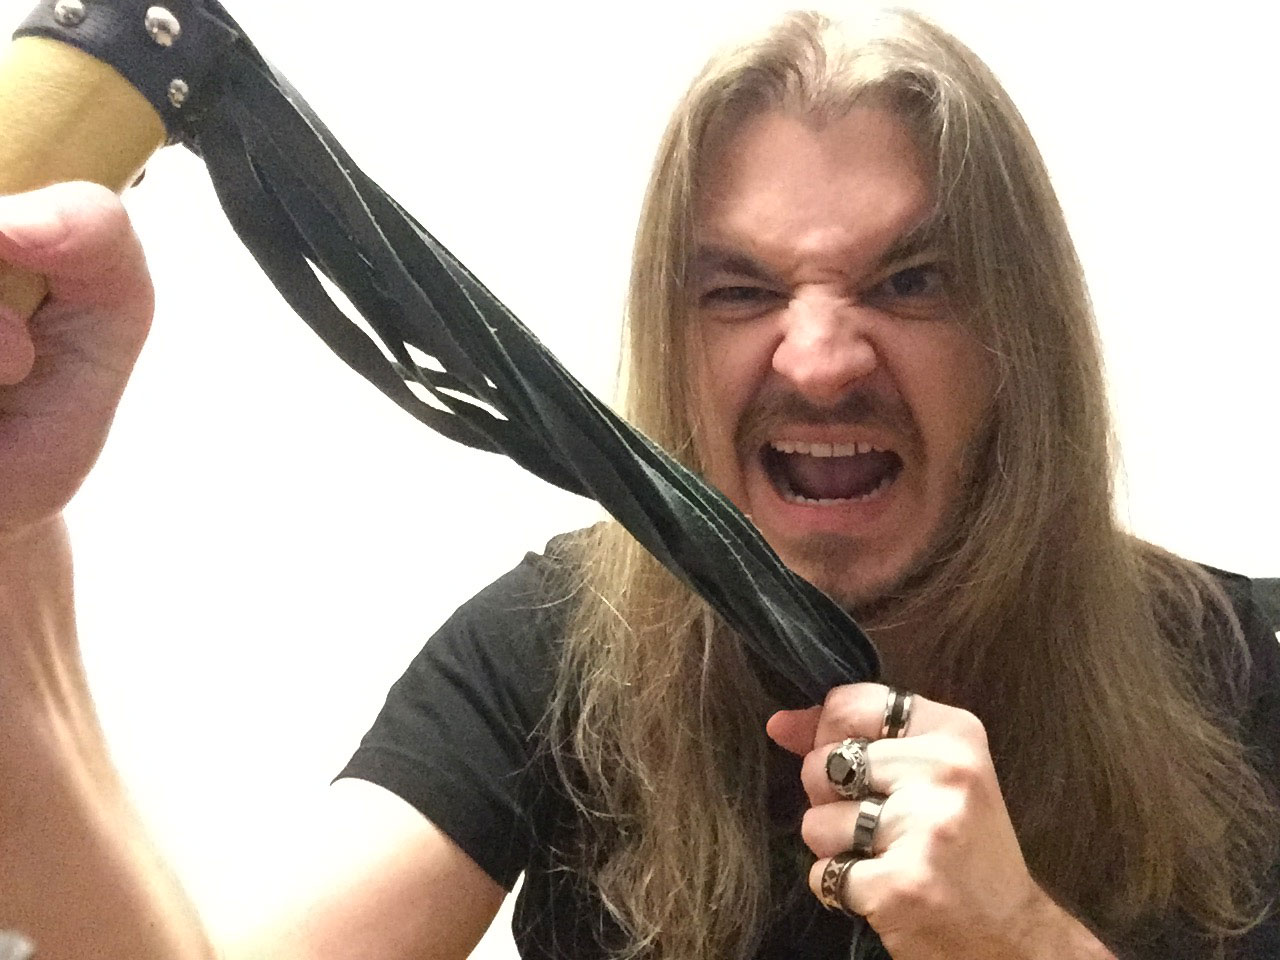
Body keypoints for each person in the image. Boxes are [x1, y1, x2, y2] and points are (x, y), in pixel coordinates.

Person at [0, 8, 1276, 960]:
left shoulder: (1253, 663)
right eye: (739, 290)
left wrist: (1013, 941)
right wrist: (17, 560)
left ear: (1020, 337)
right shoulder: (547, 647)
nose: (818, 360)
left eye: (909, 282)